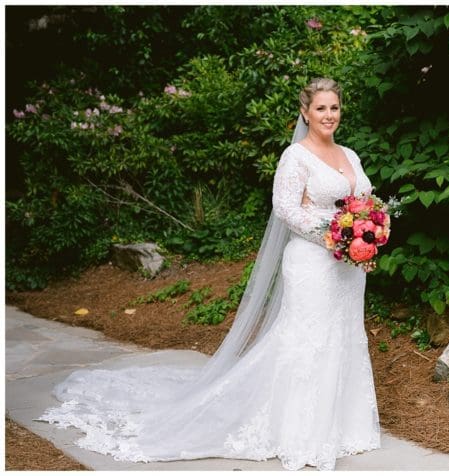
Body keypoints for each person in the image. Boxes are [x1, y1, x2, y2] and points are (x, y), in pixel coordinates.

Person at [39, 78, 381, 471]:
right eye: (320, 108)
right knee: (306, 341)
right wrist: (333, 236)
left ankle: (343, 428)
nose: (328, 115)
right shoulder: (296, 157)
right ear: (305, 112)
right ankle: (298, 431)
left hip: (348, 269)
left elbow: (364, 204)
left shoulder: (350, 155)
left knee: (343, 335)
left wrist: (366, 239)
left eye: (334, 108)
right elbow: (285, 209)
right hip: (311, 263)